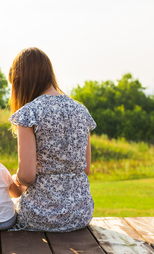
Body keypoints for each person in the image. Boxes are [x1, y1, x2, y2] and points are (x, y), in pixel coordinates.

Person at [8, 47, 96, 232]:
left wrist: (14, 179)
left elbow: (27, 176)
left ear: (20, 81)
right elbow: (86, 168)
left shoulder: (28, 113)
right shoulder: (81, 110)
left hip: (40, 215)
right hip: (81, 214)